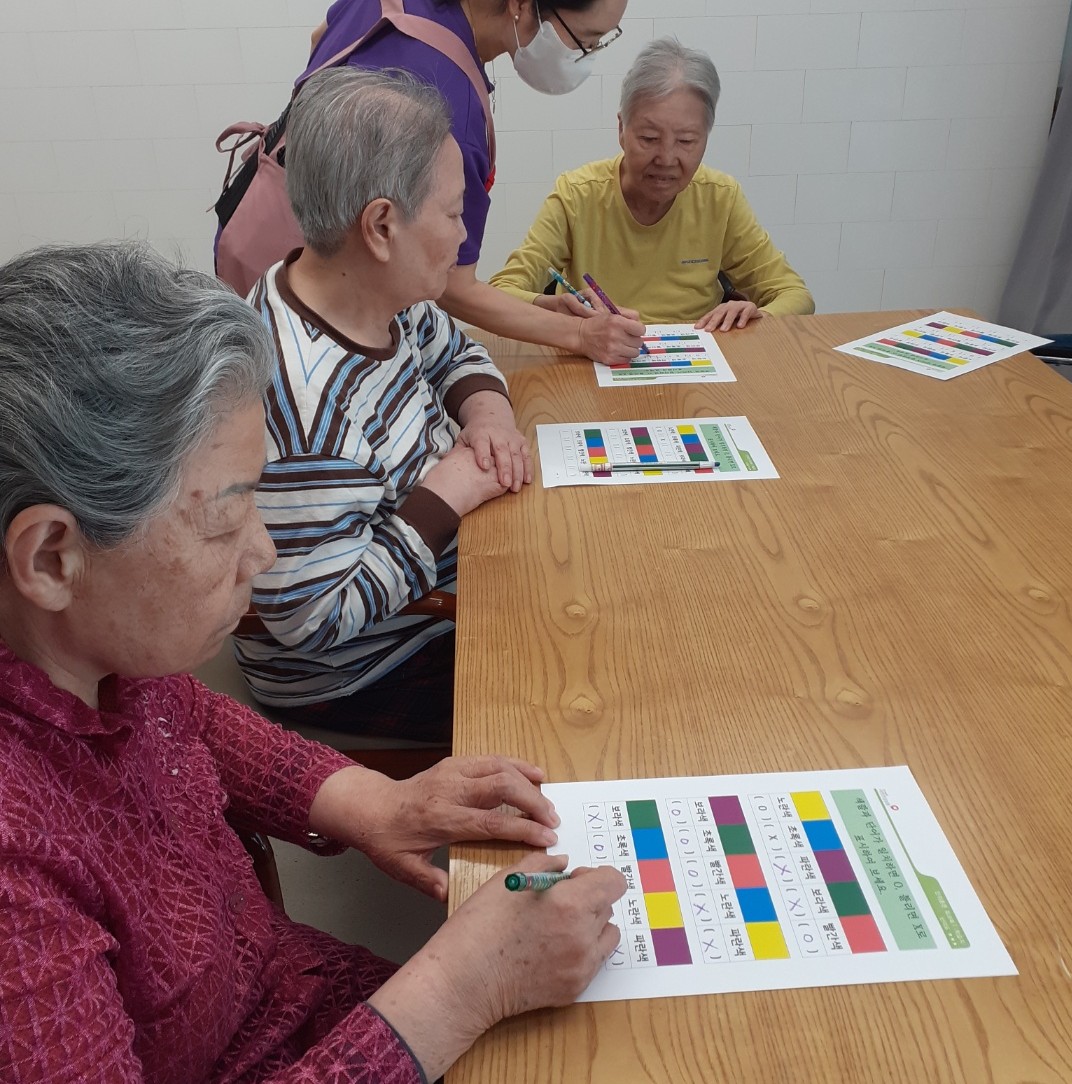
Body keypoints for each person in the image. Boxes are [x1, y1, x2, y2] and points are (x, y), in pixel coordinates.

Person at [0, 240, 626, 1083]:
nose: (263, 551)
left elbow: (194, 719)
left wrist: (376, 803)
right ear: (49, 558)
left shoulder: (98, 652)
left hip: (298, 998)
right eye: (225, 521)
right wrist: (459, 988)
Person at [235, 68, 526, 741]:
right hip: (359, 670)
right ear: (381, 226)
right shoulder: (307, 413)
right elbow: (315, 622)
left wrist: (487, 414)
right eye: (453, 213)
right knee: (571, 684)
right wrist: (447, 492)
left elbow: (455, 351)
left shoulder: (373, 295)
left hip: (441, 582)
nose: (464, 236)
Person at [286, 0, 646, 365]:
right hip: (337, 328)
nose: (586, 57)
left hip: (294, 269)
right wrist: (578, 333)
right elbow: (453, 287)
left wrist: (542, 308)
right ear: (521, 5)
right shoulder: (449, 111)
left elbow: (321, 37)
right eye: (585, 40)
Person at [490, 37, 815, 332]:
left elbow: (795, 294)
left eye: (686, 141)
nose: (666, 158)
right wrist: (555, 310)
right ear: (622, 129)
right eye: (649, 138)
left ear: (706, 137)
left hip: (694, 362)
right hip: (596, 359)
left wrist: (758, 316)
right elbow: (501, 293)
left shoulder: (720, 198)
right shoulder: (577, 195)